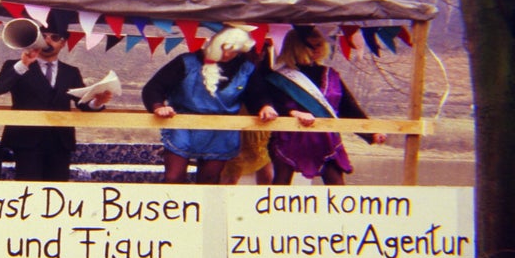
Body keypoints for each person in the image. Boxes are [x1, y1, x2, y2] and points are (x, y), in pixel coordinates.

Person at [142, 27, 277, 184]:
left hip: (221, 130)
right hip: (184, 125)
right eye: (224, 49)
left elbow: (257, 94)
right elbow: (154, 87)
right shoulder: (187, 62)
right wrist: (158, 106)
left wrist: (265, 106)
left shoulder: (246, 69)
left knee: (209, 179)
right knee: (174, 177)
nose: (227, 55)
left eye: (234, 52)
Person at [0, 15, 112, 181]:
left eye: (54, 38)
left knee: (57, 188)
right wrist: (24, 64)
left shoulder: (71, 72)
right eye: (44, 36)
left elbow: (82, 103)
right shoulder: (15, 65)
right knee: (29, 188)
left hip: (60, 142)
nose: (48, 41)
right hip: (26, 141)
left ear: (63, 43)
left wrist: (98, 102)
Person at [264, 25, 386, 186]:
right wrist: (293, 113)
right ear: (296, 47)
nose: (317, 49)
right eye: (311, 45)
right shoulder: (278, 78)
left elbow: (348, 107)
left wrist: (371, 132)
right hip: (290, 137)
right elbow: (274, 104)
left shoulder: (331, 75)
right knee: (281, 184)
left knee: (336, 185)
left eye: (320, 45)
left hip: (326, 138)